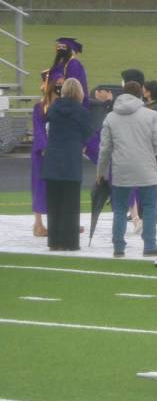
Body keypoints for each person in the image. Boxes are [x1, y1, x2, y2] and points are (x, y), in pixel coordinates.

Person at [97, 81, 157, 257]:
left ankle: (118, 246)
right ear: (140, 94)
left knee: (120, 208)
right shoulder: (151, 115)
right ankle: (150, 244)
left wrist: (101, 172)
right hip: (145, 166)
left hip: (121, 167)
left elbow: (104, 148)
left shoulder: (111, 117)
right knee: (150, 206)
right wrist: (154, 153)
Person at [42, 78, 92, 251]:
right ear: (79, 92)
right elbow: (88, 134)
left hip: (53, 159)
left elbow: (45, 128)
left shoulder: (53, 108)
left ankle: (54, 241)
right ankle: (70, 242)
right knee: (71, 203)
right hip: (71, 160)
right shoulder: (82, 112)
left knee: (54, 203)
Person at [31, 71, 59, 238]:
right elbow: (39, 130)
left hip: (58, 151)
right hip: (43, 152)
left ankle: (59, 221)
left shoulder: (61, 105)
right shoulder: (40, 107)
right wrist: (45, 147)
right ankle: (38, 224)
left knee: (58, 186)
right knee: (40, 185)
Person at [49, 37, 88, 102]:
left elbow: (73, 84)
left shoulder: (74, 64)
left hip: (75, 100)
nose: (60, 52)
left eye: (63, 49)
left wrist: (61, 81)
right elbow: (55, 72)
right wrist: (58, 77)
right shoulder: (61, 63)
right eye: (58, 48)